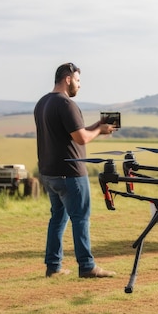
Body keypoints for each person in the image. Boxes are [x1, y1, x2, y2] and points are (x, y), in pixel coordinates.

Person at [34, 62, 117, 278]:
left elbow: (73, 133)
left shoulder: (43, 103)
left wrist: (97, 125)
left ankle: (53, 267)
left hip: (49, 172)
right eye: (78, 80)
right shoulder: (66, 104)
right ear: (68, 79)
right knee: (80, 218)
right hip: (70, 173)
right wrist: (100, 129)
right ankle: (87, 266)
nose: (79, 85)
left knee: (57, 219)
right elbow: (81, 138)